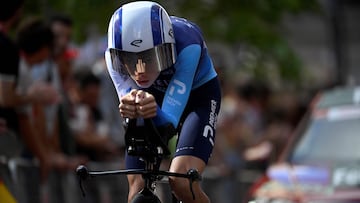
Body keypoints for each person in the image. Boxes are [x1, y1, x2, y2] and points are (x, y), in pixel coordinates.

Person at [105, 1, 221, 202]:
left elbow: (168, 122)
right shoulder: (111, 56)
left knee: (183, 181)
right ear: (118, 55)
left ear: (167, 48)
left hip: (198, 96)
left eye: (150, 57)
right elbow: (132, 106)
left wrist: (148, 107)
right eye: (130, 59)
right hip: (152, 97)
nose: (139, 70)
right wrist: (132, 106)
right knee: (137, 188)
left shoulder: (188, 43)